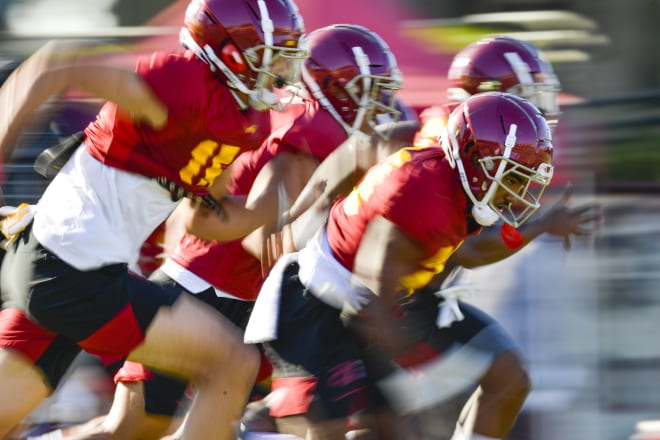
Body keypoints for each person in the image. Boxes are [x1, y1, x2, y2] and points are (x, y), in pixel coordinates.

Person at [36, 23, 406, 440]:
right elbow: (258, 235)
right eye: (372, 90)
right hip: (203, 286)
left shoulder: (335, 139)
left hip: (250, 298)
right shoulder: (308, 137)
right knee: (133, 427)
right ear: (337, 87)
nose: (384, 103)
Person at [0, 0, 307, 439]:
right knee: (232, 364)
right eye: (271, 55)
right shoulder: (181, 85)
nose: (280, 69)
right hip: (74, 272)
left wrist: (276, 205)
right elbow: (53, 65)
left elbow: (205, 220)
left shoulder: (236, 117)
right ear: (230, 52)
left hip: (58, 269)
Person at [243, 91, 556, 440]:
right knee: (341, 431)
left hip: (378, 302)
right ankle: (253, 431)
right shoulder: (421, 197)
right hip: (321, 305)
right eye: (512, 180)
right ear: (473, 156)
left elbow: (467, 251)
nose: (517, 195)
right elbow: (369, 311)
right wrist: (431, 364)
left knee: (496, 380)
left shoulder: (454, 184)